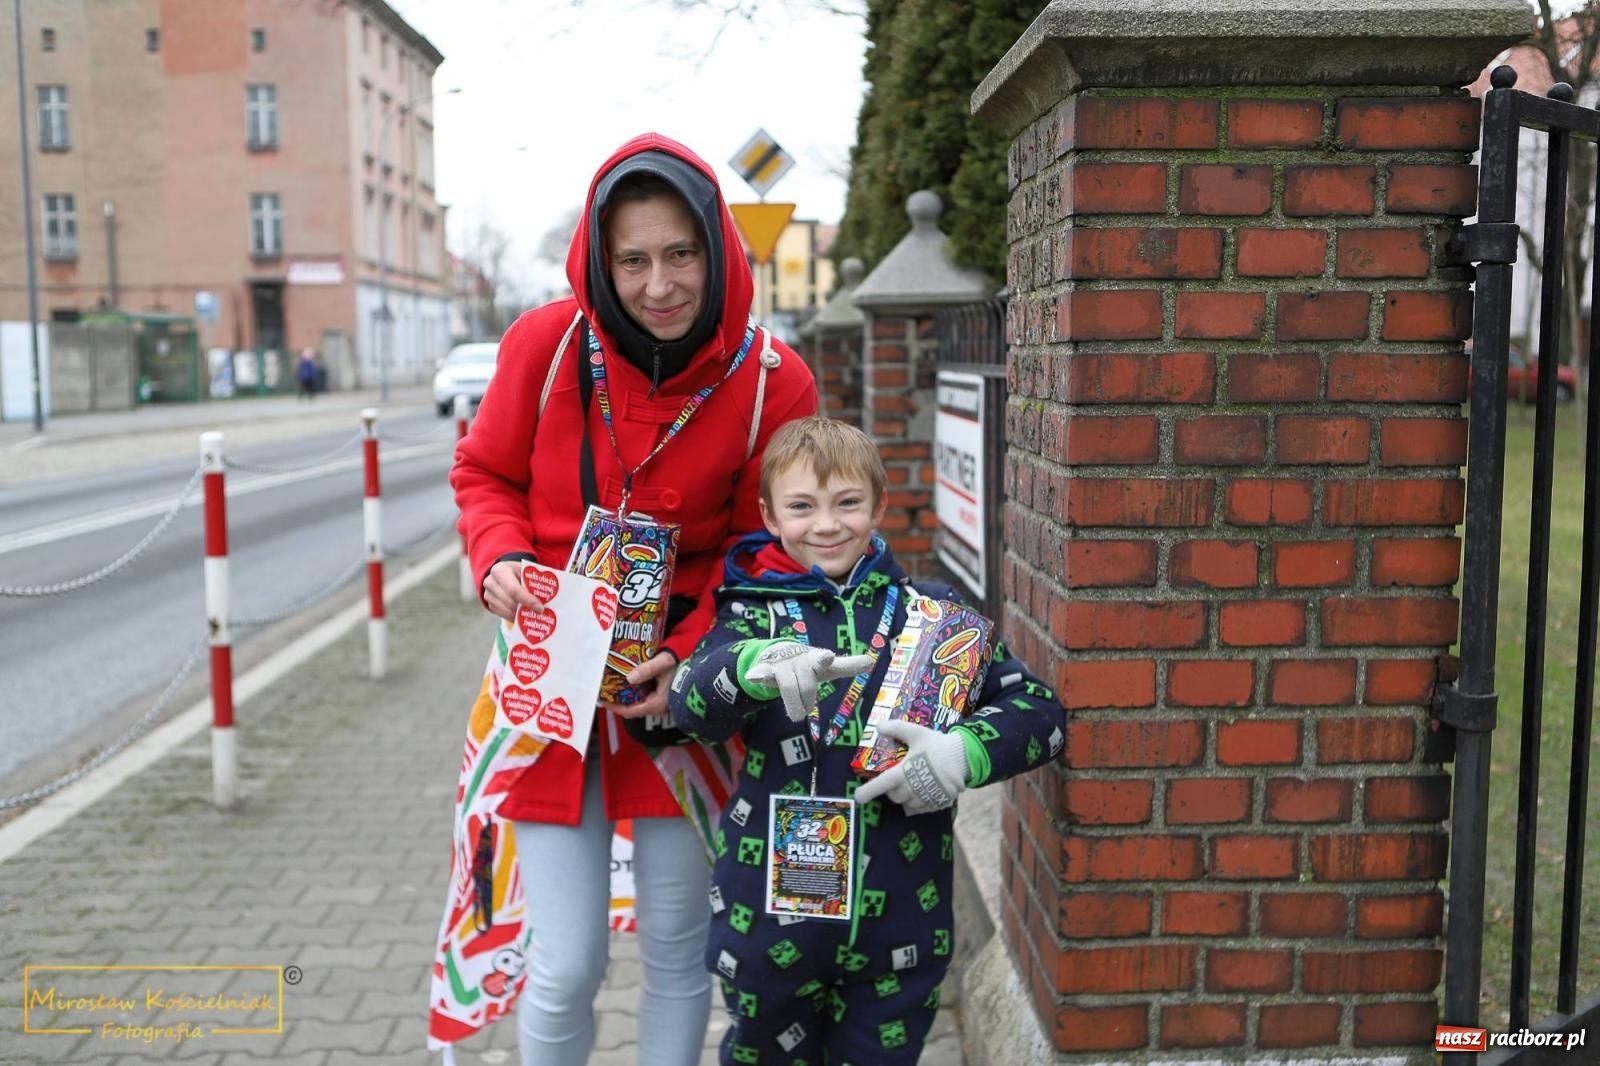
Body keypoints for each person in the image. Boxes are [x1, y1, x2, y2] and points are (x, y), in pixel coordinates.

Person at [449, 133, 818, 1066]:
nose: (660, 285)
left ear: (718, 248)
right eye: (633, 260)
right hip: (548, 683)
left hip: (684, 692)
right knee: (566, 963)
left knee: (678, 951)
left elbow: (765, 551)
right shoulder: (544, 345)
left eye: (682, 254)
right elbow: (484, 472)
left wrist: (689, 653)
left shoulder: (774, 381)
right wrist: (498, 556)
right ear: (599, 262)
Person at [666, 417, 1064, 1066]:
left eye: (847, 502)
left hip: (901, 916)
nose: (826, 525)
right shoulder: (749, 612)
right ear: (769, 516)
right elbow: (688, 703)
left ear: (879, 506)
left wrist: (963, 753)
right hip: (767, 919)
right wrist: (751, 667)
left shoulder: (935, 615)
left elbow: (1042, 714)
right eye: (802, 507)